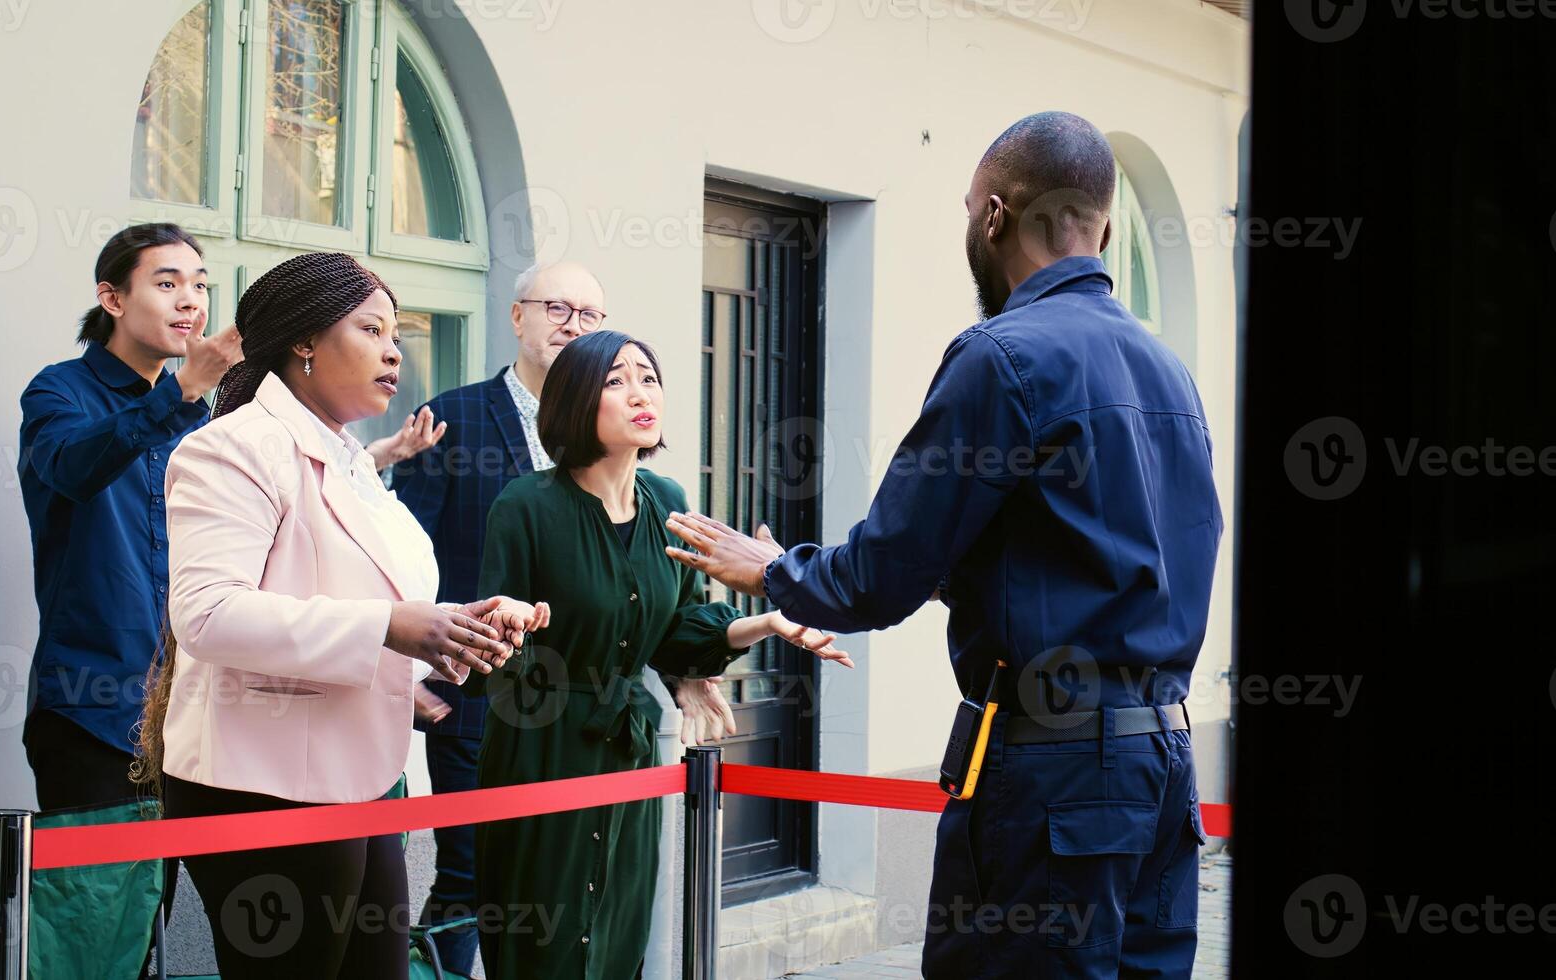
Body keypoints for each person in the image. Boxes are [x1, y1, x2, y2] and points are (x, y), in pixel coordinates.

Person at [665, 112, 1224, 978]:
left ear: (996, 218)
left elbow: (883, 575)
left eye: (969, 211)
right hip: (1164, 767)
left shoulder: (1001, 358)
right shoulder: (1171, 376)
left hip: (1052, 773)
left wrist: (772, 569)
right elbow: (1089, 555)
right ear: (1104, 230)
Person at [143, 251, 548, 979]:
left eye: (397, 334)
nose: (394, 350)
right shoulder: (231, 449)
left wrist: (452, 627)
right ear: (304, 340)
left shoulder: (353, 459)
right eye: (372, 329)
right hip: (260, 780)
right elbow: (206, 615)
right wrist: (393, 627)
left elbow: (377, 600)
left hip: (359, 773)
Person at [469, 330, 852, 979]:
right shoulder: (526, 506)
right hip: (542, 746)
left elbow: (675, 632)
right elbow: (491, 655)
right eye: (616, 380)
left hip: (631, 747)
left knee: (619, 934)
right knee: (544, 944)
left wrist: (768, 621)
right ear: (574, 400)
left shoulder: (668, 503)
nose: (639, 393)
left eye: (647, 376)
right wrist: (510, 633)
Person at [390, 261, 736, 976]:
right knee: (472, 882)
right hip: (476, 699)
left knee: (599, 903)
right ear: (517, 316)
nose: (574, 324)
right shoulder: (454, 419)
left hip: (593, 720)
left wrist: (693, 663)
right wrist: (408, 679)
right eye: (558, 307)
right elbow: (400, 554)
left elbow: (635, 596)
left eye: (591, 314)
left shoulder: (642, 479)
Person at [18, 222, 240, 810]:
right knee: (99, 900)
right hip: (92, 706)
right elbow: (73, 468)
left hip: (189, 709)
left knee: (157, 902)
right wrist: (182, 391)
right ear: (113, 298)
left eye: (199, 285)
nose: (191, 300)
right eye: (167, 284)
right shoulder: (58, 391)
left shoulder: (198, 416)